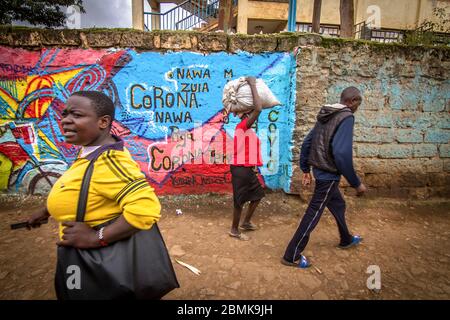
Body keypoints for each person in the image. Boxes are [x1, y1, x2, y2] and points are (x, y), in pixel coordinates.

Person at [26, 90, 162, 296]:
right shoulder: (92, 149)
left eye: (77, 115)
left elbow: (145, 209)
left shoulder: (109, 161)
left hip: (93, 255)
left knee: (79, 292)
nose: (65, 121)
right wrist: (47, 210)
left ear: (103, 122)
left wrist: (96, 237)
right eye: (65, 114)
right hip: (78, 249)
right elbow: (82, 186)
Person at [281, 86, 367, 268]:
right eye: (358, 103)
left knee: (338, 204)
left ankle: (346, 238)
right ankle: (292, 255)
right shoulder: (346, 117)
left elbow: (307, 143)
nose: (358, 107)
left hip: (320, 171)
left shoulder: (326, 114)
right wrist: (356, 183)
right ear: (351, 101)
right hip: (328, 174)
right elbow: (341, 153)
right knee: (314, 212)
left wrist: (305, 168)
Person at [229, 76, 265, 241]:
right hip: (240, 169)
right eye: (250, 113)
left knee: (257, 195)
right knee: (239, 201)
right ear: (246, 113)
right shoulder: (243, 125)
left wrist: (254, 166)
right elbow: (258, 108)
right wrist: (251, 84)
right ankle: (234, 230)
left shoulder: (247, 129)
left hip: (246, 168)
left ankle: (246, 222)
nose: (253, 115)